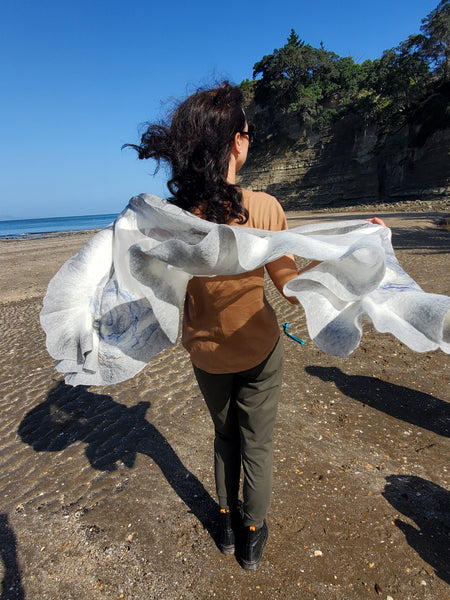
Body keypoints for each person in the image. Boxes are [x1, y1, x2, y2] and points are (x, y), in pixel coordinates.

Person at [126, 81, 383, 570]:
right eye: (247, 130)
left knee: (224, 439)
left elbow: (158, 290)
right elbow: (288, 283)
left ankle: (224, 521)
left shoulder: (174, 216)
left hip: (205, 353)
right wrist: (355, 252)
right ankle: (251, 533)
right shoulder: (263, 207)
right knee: (257, 445)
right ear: (237, 142)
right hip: (261, 349)